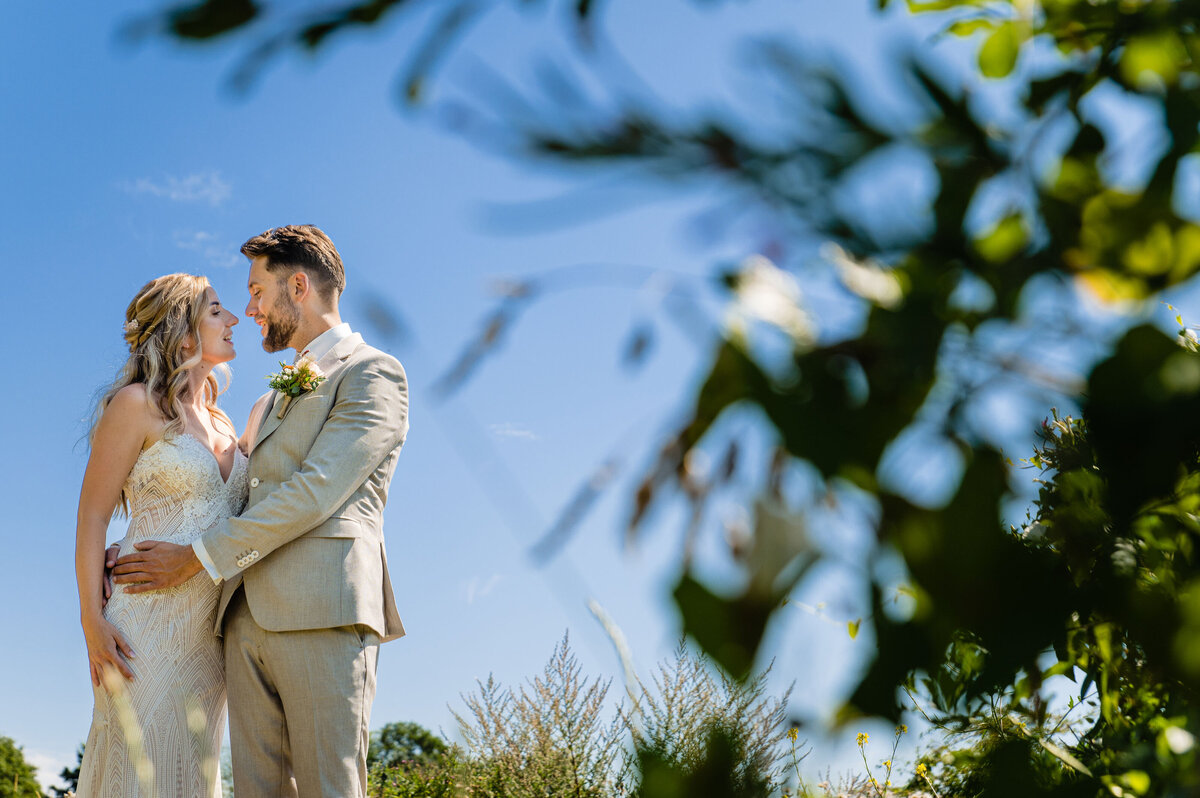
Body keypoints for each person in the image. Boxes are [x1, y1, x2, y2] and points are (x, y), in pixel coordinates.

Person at [112, 225, 409, 798]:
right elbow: (229, 492)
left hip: (324, 610)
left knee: (329, 787)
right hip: (240, 621)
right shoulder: (267, 400)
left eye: (256, 291)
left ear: (298, 286)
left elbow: (316, 491)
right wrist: (135, 541)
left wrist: (197, 558)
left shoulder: (372, 372)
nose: (248, 309)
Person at [75, 273, 245, 797]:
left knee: (190, 778)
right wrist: (91, 623)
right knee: (137, 772)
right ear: (183, 331)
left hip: (210, 639)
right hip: (142, 631)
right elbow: (92, 518)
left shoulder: (228, 426)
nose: (233, 319)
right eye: (217, 310)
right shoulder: (136, 405)